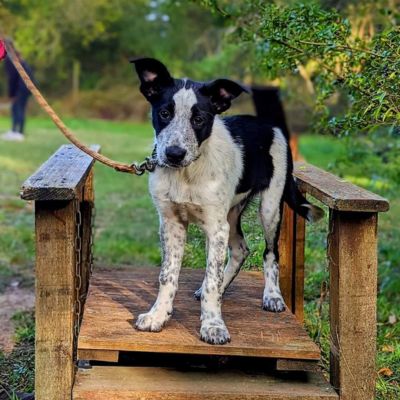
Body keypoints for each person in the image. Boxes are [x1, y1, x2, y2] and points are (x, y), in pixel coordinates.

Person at [2, 51, 34, 141]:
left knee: (18, 109)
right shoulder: (23, 65)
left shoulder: (22, 66)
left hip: (22, 91)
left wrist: (14, 94)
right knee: (16, 109)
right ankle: (14, 131)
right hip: (22, 91)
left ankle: (19, 133)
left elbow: (14, 80)